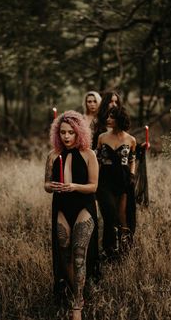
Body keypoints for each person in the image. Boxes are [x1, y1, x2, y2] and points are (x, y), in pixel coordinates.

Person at [44, 110, 99, 320]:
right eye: (63, 132)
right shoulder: (53, 155)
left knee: (78, 255)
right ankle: (73, 286)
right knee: (64, 252)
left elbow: (94, 186)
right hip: (61, 206)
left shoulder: (88, 154)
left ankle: (78, 302)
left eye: (71, 133)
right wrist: (52, 185)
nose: (66, 137)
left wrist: (74, 186)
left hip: (83, 206)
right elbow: (46, 185)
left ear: (79, 133)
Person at [96, 106, 137, 261]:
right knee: (110, 213)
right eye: (107, 116)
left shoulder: (131, 139)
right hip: (105, 179)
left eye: (111, 117)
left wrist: (132, 175)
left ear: (120, 119)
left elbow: (132, 159)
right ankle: (109, 249)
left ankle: (124, 251)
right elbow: (98, 160)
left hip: (123, 179)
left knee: (123, 216)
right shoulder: (102, 137)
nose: (108, 119)